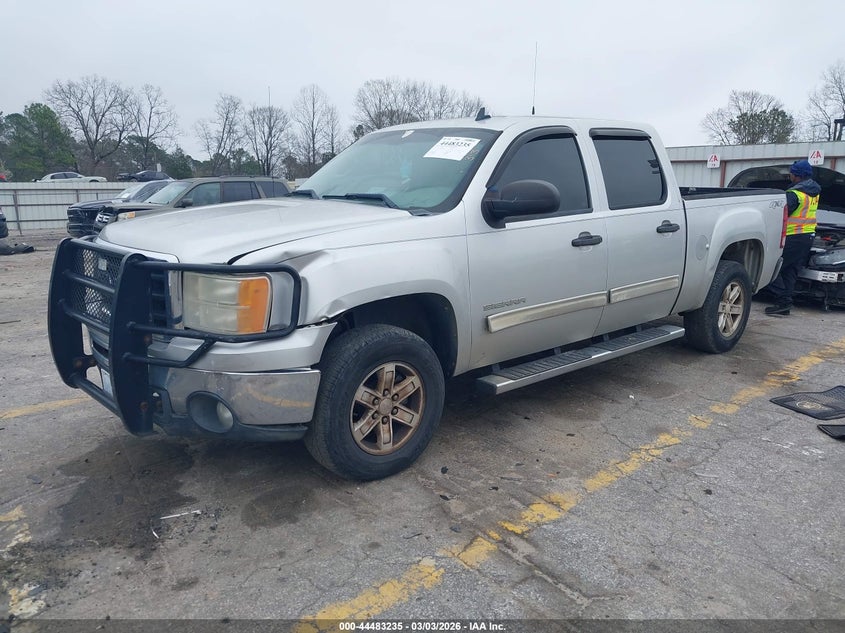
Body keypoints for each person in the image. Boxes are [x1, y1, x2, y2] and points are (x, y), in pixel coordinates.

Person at [765, 159, 820, 315]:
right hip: (807, 236)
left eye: (791, 173)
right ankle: (784, 306)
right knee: (790, 271)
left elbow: (779, 215)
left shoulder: (794, 194)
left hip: (793, 236)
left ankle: (783, 299)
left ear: (797, 176)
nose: (789, 175)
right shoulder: (814, 192)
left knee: (771, 269)